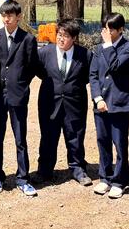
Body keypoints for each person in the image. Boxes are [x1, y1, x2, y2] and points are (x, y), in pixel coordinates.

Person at [0, 0, 39, 196]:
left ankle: (23, 178)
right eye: (4, 15)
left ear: (19, 17)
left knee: (20, 138)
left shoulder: (28, 39)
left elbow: (32, 66)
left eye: (10, 15)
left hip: (18, 95)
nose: (6, 19)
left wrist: (20, 82)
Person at [35, 19, 93, 186]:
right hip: (49, 102)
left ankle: (78, 169)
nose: (61, 39)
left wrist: (71, 88)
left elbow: (88, 76)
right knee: (48, 137)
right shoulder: (44, 53)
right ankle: (44, 170)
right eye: (59, 35)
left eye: (66, 36)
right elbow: (39, 72)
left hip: (75, 103)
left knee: (75, 136)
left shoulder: (85, 54)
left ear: (74, 38)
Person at [90, 12, 129, 200]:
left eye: (111, 29)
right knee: (102, 141)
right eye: (105, 28)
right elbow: (93, 75)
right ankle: (105, 177)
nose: (107, 32)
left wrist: (109, 45)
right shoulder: (98, 48)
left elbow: (116, 66)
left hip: (119, 102)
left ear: (121, 29)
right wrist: (97, 98)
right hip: (101, 102)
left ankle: (119, 180)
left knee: (119, 143)